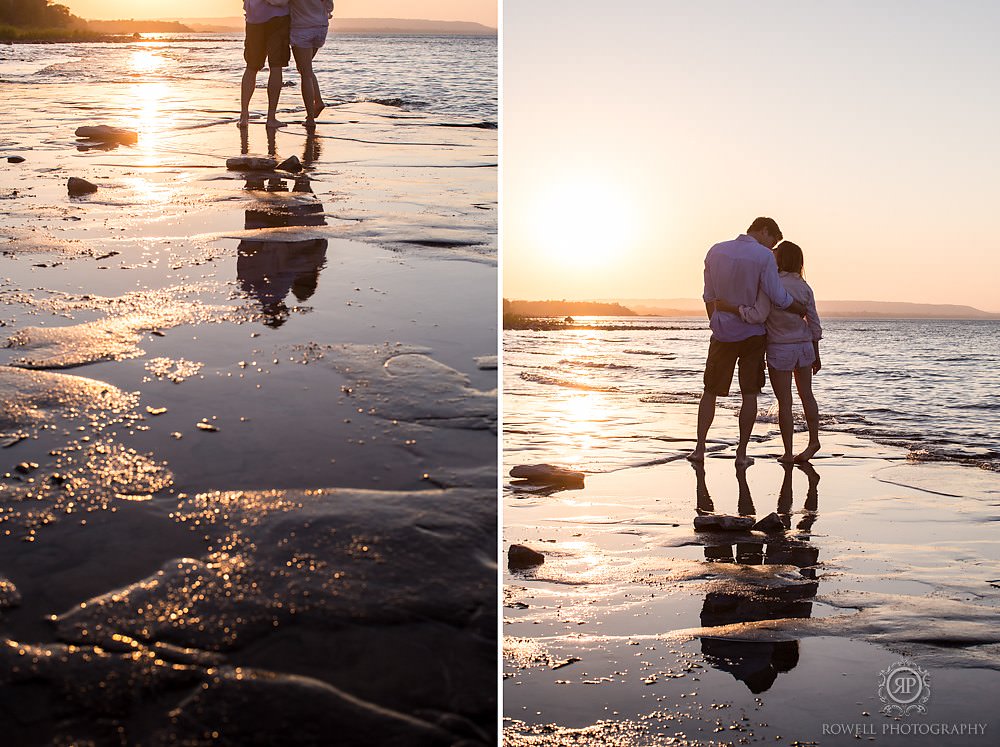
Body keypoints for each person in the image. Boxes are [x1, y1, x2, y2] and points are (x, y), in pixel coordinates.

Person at [688, 217, 806, 466]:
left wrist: (715, 322)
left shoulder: (716, 250)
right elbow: (776, 296)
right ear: (764, 231)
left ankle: (699, 449)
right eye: (773, 241)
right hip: (753, 334)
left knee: (710, 391)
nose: (772, 248)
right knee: (749, 394)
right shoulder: (763, 257)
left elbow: (709, 296)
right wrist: (799, 308)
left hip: (722, 333)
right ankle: (741, 454)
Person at [723, 241, 823, 462]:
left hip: (780, 348)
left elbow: (759, 314)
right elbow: (814, 323)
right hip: (804, 346)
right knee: (807, 395)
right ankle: (813, 440)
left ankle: (788, 452)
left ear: (781, 259)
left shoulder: (772, 284)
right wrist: (817, 352)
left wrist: (733, 309)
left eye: (776, 253)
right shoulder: (805, 287)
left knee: (785, 402)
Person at [240, 0, 293, 129]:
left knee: (251, 67)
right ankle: (271, 117)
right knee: (276, 66)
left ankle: (244, 115)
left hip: (255, 18)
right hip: (278, 17)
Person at [290, 0, 335, 125]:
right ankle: (318, 101)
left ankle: (310, 118)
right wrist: (326, 13)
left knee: (305, 72)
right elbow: (329, 4)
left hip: (302, 28)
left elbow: (280, 3)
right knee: (305, 68)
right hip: (320, 27)